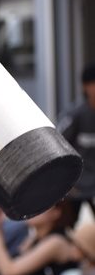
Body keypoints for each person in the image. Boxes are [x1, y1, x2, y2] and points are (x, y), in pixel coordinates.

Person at [58, 61, 95, 221]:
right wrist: (66, 180)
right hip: (76, 185)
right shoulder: (75, 114)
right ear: (86, 87)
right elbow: (56, 145)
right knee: (66, 225)